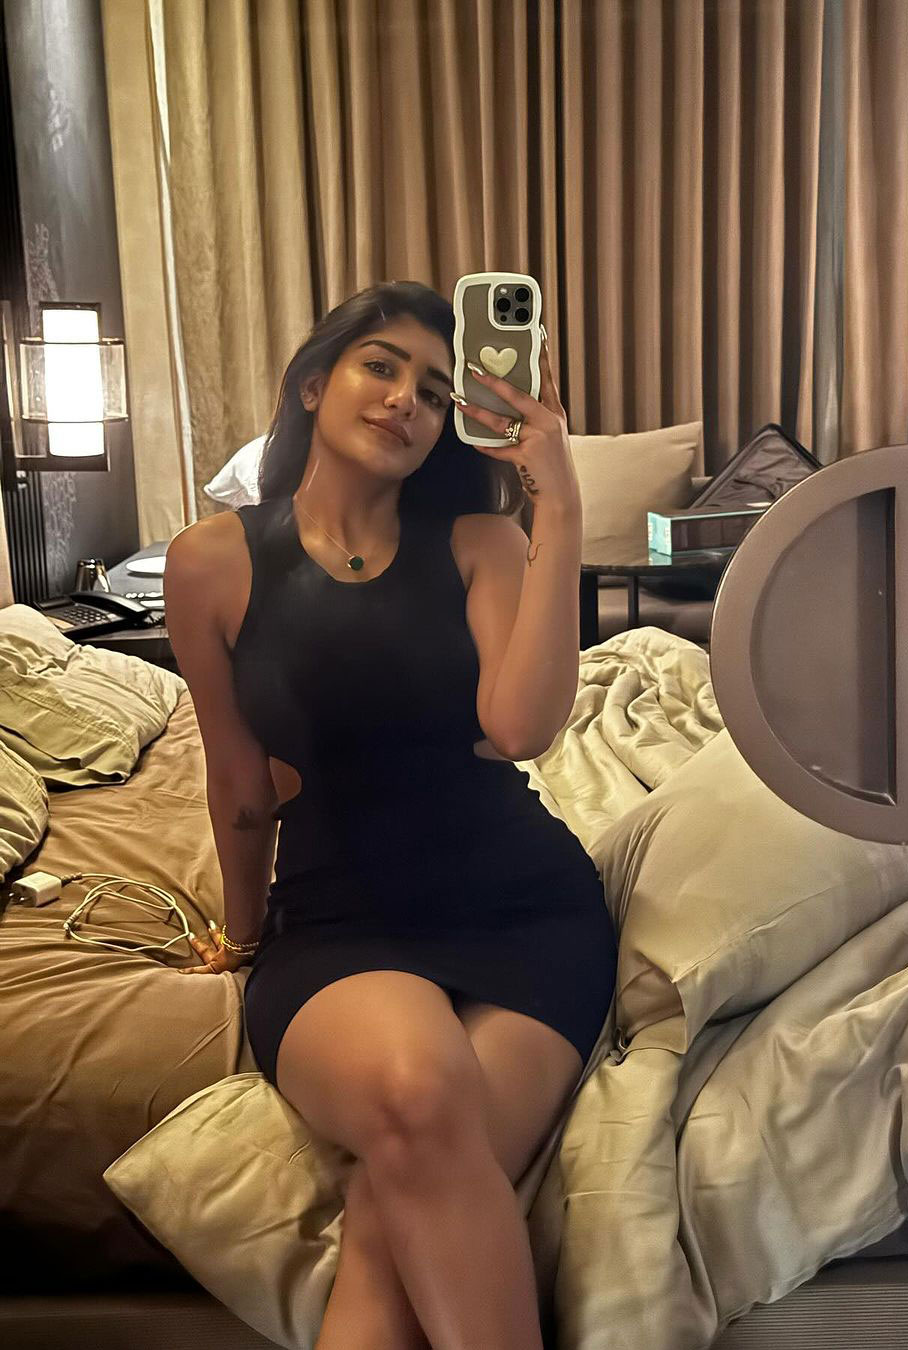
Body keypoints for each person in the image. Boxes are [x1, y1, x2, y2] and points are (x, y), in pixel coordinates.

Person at [163, 280, 617, 1350]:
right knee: (418, 1095)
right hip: (342, 919)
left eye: (435, 389)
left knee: (391, 1209)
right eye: (381, 366)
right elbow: (239, 787)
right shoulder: (210, 562)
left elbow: (522, 728)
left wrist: (557, 504)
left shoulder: (480, 541)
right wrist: (240, 937)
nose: (406, 398)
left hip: (525, 914)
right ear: (313, 384)